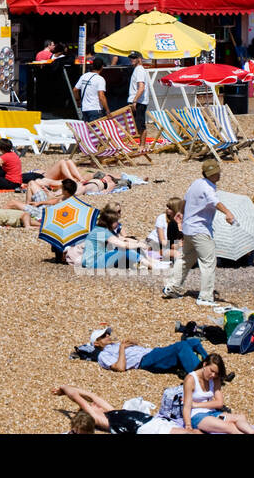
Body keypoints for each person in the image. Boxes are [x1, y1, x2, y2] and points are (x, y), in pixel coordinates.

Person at [163, 160, 236, 306]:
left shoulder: (196, 183)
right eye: (213, 173)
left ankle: (172, 287)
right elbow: (215, 202)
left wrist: (181, 213)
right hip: (200, 230)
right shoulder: (208, 188)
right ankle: (205, 296)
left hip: (189, 228)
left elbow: (185, 200)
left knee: (185, 258)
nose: (216, 175)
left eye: (216, 172)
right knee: (208, 262)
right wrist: (228, 213)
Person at [55, 385, 190, 435]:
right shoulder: (98, 419)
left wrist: (71, 391)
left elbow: (92, 396)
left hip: (150, 423)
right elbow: (74, 395)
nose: (95, 404)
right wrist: (64, 388)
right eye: (91, 406)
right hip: (145, 429)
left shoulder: (112, 413)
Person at [85, 324, 209, 375]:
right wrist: (122, 348)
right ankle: (199, 376)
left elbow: (138, 348)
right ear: (96, 343)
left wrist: (133, 343)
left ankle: (211, 366)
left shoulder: (114, 345)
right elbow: (120, 368)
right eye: (103, 336)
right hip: (146, 360)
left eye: (107, 333)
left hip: (151, 352)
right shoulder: (103, 356)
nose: (107, 336)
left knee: (193, 342)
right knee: (181, 346)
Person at [182, 353, 254, 433]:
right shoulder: (191, 379)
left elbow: (219, 403)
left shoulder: (215, 379)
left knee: (241, 418)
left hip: (212, 413)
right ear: (204, 365)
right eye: (212, 371)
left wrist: (196, 405)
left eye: (216, 373)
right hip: (197, 415)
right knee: (230, 427)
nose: (213, 375)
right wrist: (188, 425)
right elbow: (187, 407)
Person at [82, 204, 157, 271]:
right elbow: (124, 245)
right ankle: (151, 265)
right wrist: (140, 245)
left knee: (127, 248)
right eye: (116, 221)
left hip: (96, 261)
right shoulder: (102, 231)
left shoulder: (102, 229)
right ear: (110, 222)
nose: (118, 223)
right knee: (123, 250)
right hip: (93, 264)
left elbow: (122, 239)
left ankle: (150, 262)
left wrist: (139, 243)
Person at [74, 56, 109, 122]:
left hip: (84, 109)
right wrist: (107, 110)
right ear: (102, 67)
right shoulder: (100, 79)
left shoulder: (84, 76)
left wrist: (78, 101)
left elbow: (75, 90)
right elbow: (101, 96)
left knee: (88, 130)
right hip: (95, 109)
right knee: (95, 131)